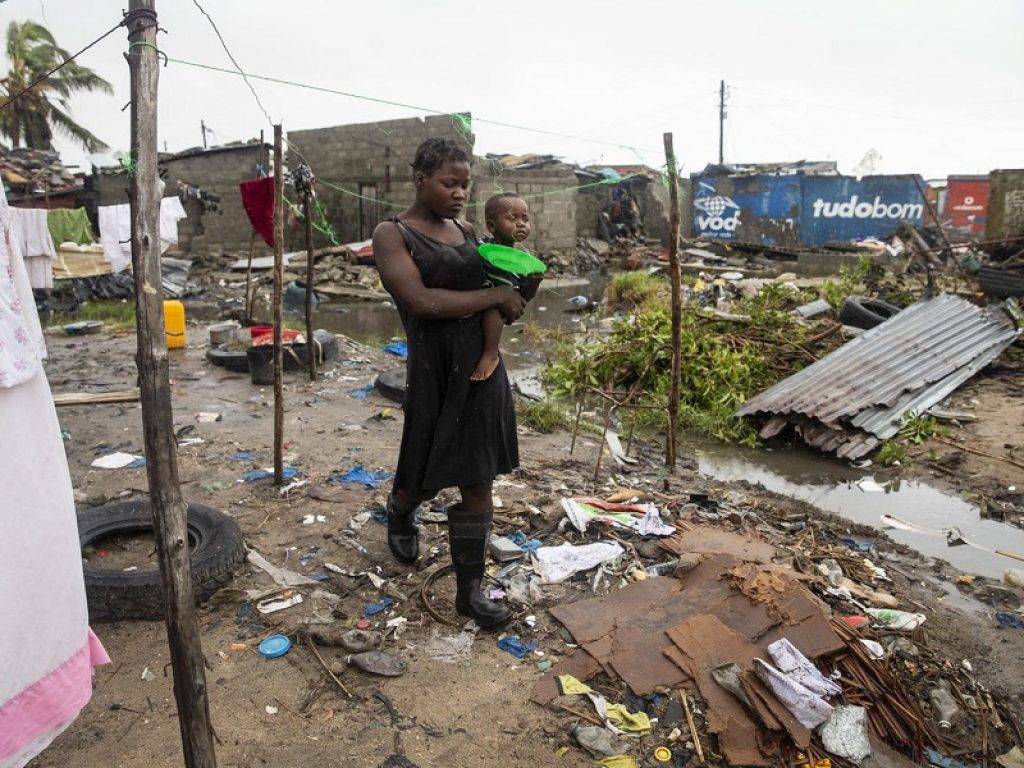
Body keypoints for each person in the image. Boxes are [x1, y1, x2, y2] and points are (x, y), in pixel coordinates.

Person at [372, 138, 527, 629]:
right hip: (433, 371)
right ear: (420, 181)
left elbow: (502, 298)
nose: (461, 193)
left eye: (465, 184)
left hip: (482, 368)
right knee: (422, 469)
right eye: (449, 183)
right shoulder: (392, 234)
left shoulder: (466, 230)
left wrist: (516, 288)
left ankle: (470, 591)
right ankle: (401, 510)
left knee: (478, 477)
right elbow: (421, 301)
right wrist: (493, 298)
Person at [471, 193, 543, 382]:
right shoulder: (484, 247)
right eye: (513, 218)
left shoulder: (522, 260)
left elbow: (523, 297)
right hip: (481, 298)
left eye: (525, 219)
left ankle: (491, 351)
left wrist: (535, 280)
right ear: (492, 226)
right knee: (491, 308)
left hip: (503, 306)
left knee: (494, 312)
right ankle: (490, 353)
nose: (521, 223)